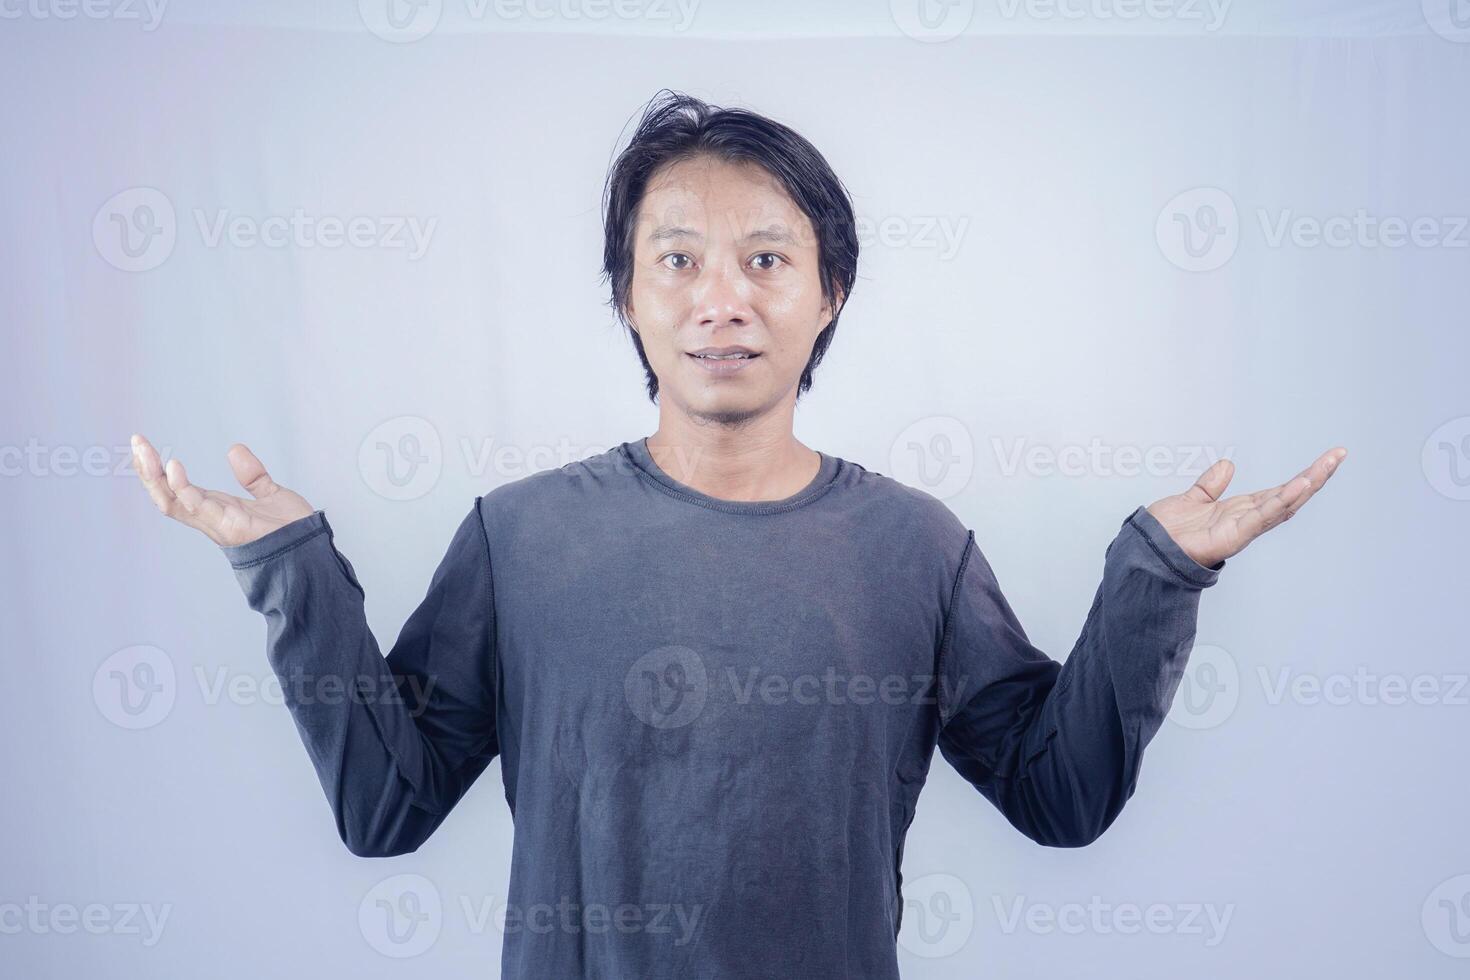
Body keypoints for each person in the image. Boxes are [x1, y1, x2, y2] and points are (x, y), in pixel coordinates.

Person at [129, 90, 1345, 979]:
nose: (724, 299)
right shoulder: (522, 536)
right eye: (679, 261)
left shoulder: (913, 547)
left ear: (829, 296)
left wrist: (1160, 572)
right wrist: (290, 570)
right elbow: (385, 807)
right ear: (628, 297)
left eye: (768, 258)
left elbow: (1060, 792)